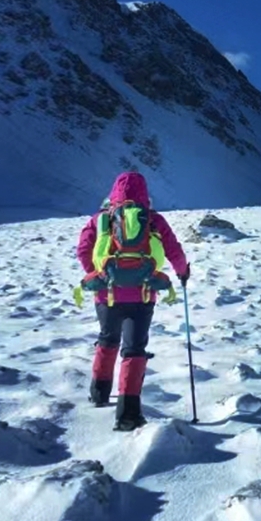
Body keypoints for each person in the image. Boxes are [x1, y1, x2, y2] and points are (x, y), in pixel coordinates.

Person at [76, 171, 189, 431]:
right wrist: (182, 272)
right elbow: (173, 249)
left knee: (107, 338)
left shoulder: (101, 219)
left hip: (107, 293)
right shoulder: (152, 219)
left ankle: (99, 392)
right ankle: (128, 413)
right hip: (143, 294)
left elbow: (83, 250)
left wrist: (98, 274)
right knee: (134, 348)